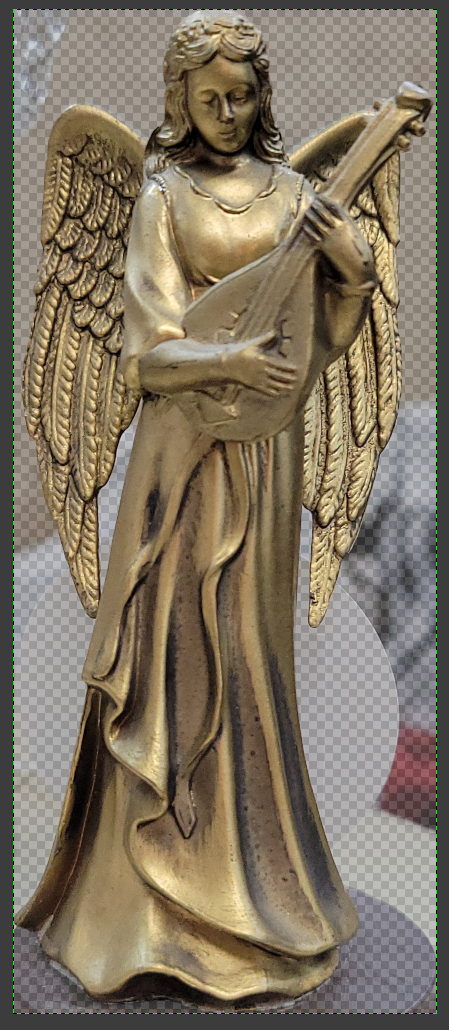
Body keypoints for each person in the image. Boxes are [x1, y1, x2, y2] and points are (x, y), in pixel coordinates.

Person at [17, 12, 376, 1006]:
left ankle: (254, 893)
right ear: (178, 100)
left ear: (262, 96)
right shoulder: (159, 199)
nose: (226, 113)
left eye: (242, 95)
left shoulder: (296, 195)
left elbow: (324, 335)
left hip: (264, 456)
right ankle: (137, 904)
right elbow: (145, 352)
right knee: (173, 650)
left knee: (250, 660)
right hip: (180, 462)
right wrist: (226, 360)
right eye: (208, 97)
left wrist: (350, 266)